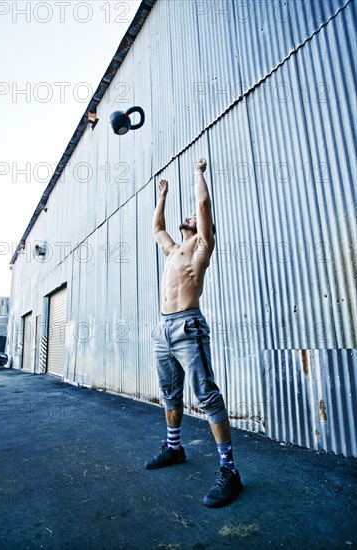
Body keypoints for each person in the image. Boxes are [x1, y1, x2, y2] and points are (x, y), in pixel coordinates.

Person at [145, 158, 242, 508]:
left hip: (188, 325)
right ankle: (174, 448)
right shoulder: (173, 250)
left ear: (203, 228)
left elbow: (203, 204)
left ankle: (230, 471)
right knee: (170, 393)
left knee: (206, 395)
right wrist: (163, 196)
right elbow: (157, 229)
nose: (188, 217)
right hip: (163, 329)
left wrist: (199, 173)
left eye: (193, 220)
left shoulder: (202, 245)